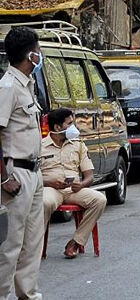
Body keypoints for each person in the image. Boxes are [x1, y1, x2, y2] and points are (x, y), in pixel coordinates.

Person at [0, 27, 44, 300]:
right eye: (39, 50)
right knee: (10, 244)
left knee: (32, 242)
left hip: (34, 172)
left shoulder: (27, 85)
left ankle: (27, 293)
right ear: (30, 55)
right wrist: (4, 178)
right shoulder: (7, 87)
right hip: (14, 172)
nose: (41, 55)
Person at [41, 108, 106, 259]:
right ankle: (35, 246)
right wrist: (49, 182)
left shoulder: (78, 145)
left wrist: (82, 184)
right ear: (57, 127)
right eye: (69, 124)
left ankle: (76, 242)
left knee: (99, 200)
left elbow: (89, 175)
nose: (73, 127)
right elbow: (33, 177)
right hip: (50, 189)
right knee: (44, 202)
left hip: (74, 190)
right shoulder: (40, 146)